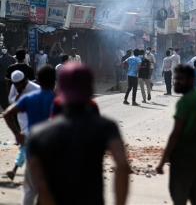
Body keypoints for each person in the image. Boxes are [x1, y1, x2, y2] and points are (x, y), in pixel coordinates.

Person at [27, 64, 130, 205]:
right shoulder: (106, 127)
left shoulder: (39, 133)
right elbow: (123, 165)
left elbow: (40, 182)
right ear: (91, 90)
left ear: (60, 90)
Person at [156, 65, 196, 205]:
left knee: (179, 197)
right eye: (175, 78)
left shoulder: (184, 102)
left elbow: (175, 134)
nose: (176, 82)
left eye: (180, 79)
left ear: (191, 80)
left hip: (183, 158)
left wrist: (162, 161)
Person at [3, 65, 56, 205]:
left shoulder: (32, 95)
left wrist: (16, 134)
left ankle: (15, 168)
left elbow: (7, 113)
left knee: (30, 189)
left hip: (34, 144)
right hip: (51, 147)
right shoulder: (59, 99)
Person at [6, 71, 40, 181]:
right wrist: (15, 98)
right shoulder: (14, 87)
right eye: (15, 85)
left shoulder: (35, 88)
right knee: (26, 144)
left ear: (24, 81)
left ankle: (15, 169)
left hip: (35, 120)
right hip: (22, 119)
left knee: (26, 144)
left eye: (19, 85)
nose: (17, 87)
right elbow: (10, 100)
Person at [0, 45, 16, 111]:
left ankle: (9, 108)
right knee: (2, 95)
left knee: (9, 95)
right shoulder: (0, 59)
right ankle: (5, 108)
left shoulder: (12, 59)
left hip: (10, 80)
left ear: (7, 50)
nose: (4, 49)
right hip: (1, 80)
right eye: (3, 48)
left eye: (5, 48)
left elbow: (15, 68)